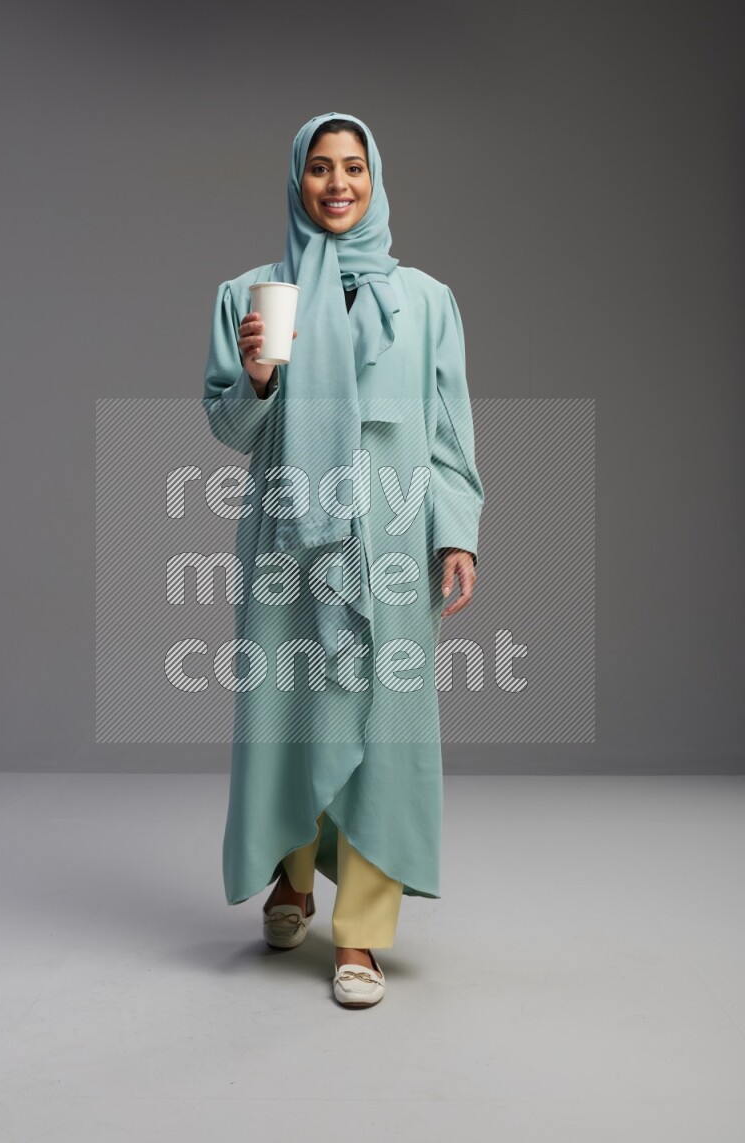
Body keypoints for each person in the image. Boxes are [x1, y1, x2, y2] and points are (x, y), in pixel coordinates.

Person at [202, 111, 485, 1008]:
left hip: (393, 542)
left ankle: (359, 929)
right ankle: (291, 880)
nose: (337, 184)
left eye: (352, 167)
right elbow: (229, 429)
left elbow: (449, 434)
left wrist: (457, 533)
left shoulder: (427, 301)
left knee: (383, 725)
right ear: (298, 181)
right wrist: (259, 379)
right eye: (320, 168)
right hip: (289, 537)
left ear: (374, 178)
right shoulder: (250, 294)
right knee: (291, 712)